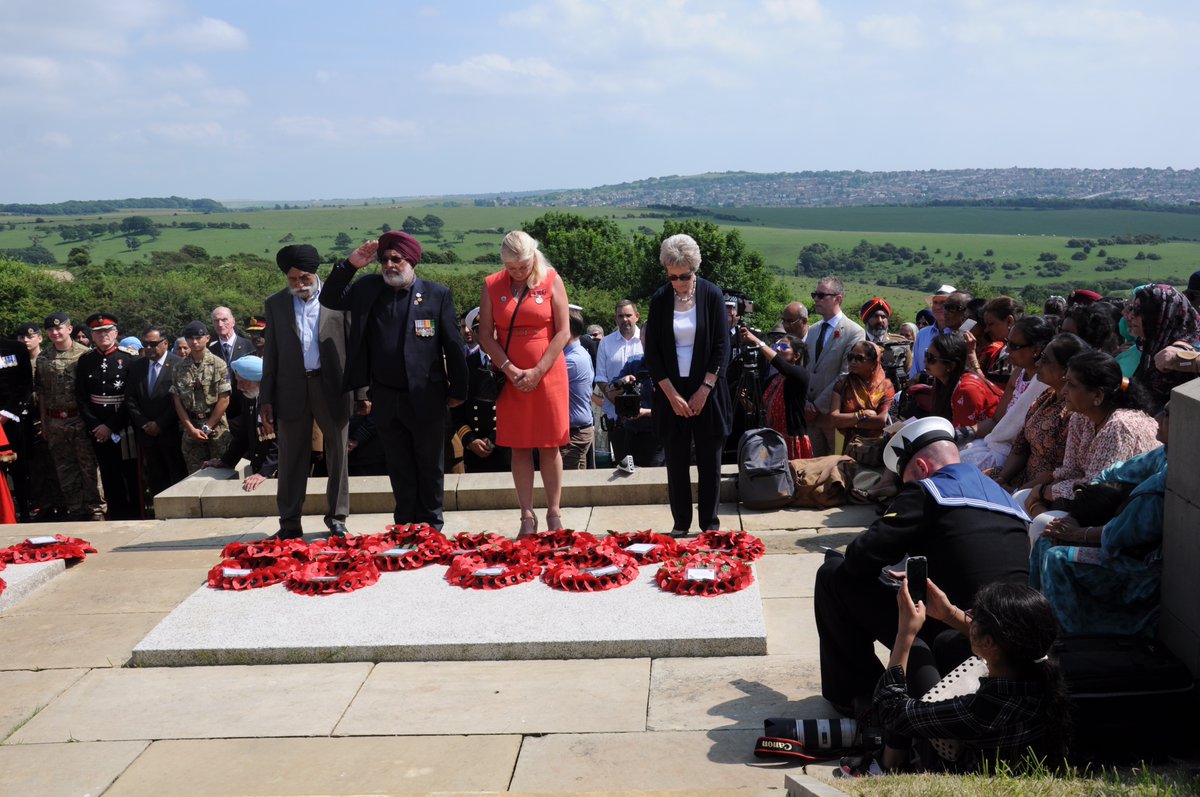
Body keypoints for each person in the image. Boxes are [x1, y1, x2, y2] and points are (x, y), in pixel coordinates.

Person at [814, 416, 1031, 715]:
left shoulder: (927, 490)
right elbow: (972, 561)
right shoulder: (1005, 498)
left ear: (921, 468)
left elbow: (861, 557)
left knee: (834, 574)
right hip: (1010, 638)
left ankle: (856, 692)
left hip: (957, 638)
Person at [322, 230, 468, 530]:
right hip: (386, 395)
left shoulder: (436, 293)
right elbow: (330, 297)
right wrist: (351, 264)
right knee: (398, 463)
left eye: (396, 259)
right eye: (385, 259)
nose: (389, 265)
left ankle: (430, 523)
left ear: (411, 261)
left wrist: (459, 388)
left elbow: (453, 345)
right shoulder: (368, 288)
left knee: (429, 463)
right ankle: (404, 522)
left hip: (427, 394)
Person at [865, 580, 1068, 774]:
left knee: (916, 649)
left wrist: (905, 633)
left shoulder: (982, 709)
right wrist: (950, 614)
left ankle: (888, 764)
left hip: (960, 767)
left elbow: (891, 711)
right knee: (947, 641)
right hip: (1015, 755)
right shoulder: (1042, 669)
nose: (970, 618)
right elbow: (1000, 640)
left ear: (989, 643)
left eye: (976, 617)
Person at [1030, 406, 1168, 637]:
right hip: (1118, 546)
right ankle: (1032, 622)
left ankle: (1068, 640)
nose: (1158, 418)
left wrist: (1077, 533)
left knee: (1057, 558)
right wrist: (1078, 516)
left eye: (1167, 415)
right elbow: (1110, 474)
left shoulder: (1162, 485)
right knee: (1046, 540)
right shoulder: (1163, 454)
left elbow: (1116, 535)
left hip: (1142, 569)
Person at [261, 244, 358, 540]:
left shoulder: (337, 298)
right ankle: (289, 521)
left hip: (333, 387)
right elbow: (271, 355)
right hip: (291, 388)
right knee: (291, 457)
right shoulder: (276, 304)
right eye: (292, 280)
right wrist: (265, 397)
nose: (299, 285)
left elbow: (355, 346)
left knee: (338, 454)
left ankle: (338, 518)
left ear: (314, 274)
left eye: (303, 278)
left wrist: (363, 392)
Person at [476, 230, 569, 535]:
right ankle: (526, 516)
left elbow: (563, 331)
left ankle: (554, 513)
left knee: (549, 444)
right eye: (511, 267)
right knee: (518, 446)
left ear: (534, 257)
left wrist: (538, 370)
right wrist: (509, 368)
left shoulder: (551, 279)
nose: (517, 273)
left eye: (522, 266)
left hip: (548, 374)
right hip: (509, 376)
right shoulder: (492, 284)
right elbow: (486, 334)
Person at [643, 233, 731, 537]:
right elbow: (652, 352)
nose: (679, 282)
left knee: (710, 461)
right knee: (676, 462)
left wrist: (704, 390)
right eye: (673, 276)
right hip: (671, 391)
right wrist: (671, 395)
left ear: (694, 268)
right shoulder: (659, 299)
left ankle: (710, 526)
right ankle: (681, 524)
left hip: (706, 389)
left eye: (685, 275)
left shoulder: (711, 295)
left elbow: (722, 345)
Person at [1017, 350, 1160, 520]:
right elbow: (1070, 470)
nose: (1063, 391)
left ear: (1098, 396)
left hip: (1122, 513)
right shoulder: (1080, 417)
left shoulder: (1119, 426)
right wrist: (1040, 494)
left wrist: (1041, 494)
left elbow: (1096, 490)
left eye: (1071, 384)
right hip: (1087, 500)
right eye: (1065, 382)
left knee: (1041, 520)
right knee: (1021, 498)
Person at [990, 333, 1088, 493]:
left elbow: (1060, 470)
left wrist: (1017, 492)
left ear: (1066, 370)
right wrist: (1002, 479)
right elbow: (1021, 446)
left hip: (1042, 491)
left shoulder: (1074, 412)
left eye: (1046, 360)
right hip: (1020, 480)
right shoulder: (1045, 397)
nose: (1038, 363)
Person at [959, 317, 1054, 472]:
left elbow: (1024, 444)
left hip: (1012, 459)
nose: (1007, 350)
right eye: (1007, 342)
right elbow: (996, 420)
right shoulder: (1019, 372)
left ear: (1036, 350)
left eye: (1014, 346)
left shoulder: (1045, 384)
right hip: (994, 443)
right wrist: (963, 433)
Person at [35, 312, 103, 520]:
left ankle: (97, 510)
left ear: (69, 329)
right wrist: (44, 423)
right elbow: (42, 393)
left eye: (59, 328)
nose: (55, 333)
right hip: (55, 422)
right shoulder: (43, 358)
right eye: (51, 330)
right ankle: (76, 510)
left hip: (80, 419)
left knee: (89, 468)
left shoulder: (85, 355)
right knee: (65, 469)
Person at [74, 313, 138, 519]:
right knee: (108, 474)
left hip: (124, 425)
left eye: (108, 331)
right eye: (98, 332)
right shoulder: (85, 360)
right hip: (97, 427)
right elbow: (81, 397)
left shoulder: (128, 358)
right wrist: (96, 426)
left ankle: (136, 514)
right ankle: (117, 515)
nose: (104, 336)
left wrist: (110, 425)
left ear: (116, 333)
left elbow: (131, 397)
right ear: (92, 336)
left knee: (130, 473)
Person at [805, 276, 866, 456]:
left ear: (838, 298)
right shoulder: (813, 329)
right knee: (810, 469)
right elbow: (804, 367)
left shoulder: (854, 332)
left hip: (833, 414)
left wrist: (817, 406)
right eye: (815, 294)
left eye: (822, 295)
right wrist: (805, 402)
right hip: (809, 414)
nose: (816, 299)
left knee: (835, 470)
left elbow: (845, 373)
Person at [124, 325, 187, 499]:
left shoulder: (179, 364)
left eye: (153, 344)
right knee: (155, 476)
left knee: (177, 474)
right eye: (146, 344)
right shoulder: (137, 366)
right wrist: (143, 423)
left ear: (165, 343)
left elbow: (180, 400)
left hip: (171, 431)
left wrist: (160, 423)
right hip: (146, 433)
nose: (149, 348)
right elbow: (130, 398)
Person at [205, 356, 278, 494]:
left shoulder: (277, 401)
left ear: (258, 381)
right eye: (237, 382)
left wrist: (265, 472)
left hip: (280, 472)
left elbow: (283, 441)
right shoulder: (251, 397)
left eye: (242, 382)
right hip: (260, 469)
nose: (238, 387)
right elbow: (244, 433)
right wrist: (226, 461)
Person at [15, 321, 63, 521]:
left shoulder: (46, 359)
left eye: (30, 336)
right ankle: (42, 506)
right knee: (34, 467)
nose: (26, 340)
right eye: (21, 337)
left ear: (40, 337)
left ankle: (61, 505)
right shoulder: (14, 362)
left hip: (51, 418)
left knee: (56, 464)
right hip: (25, 420)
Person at [1124, 284, 1200, 411]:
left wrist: (1183, 359)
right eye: (1131, 308)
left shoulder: (1184, 351)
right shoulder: (1154, 344)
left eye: (1139, 311)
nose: (1130, 315)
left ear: (1163, 314)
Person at [739, 328, 811, 458]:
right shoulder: (773, 380)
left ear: (796, 356)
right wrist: (744, 400)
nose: (778, 349)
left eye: (783, 346)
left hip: (791, 440)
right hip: (771, 440)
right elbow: (759, 411)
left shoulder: (800, 375)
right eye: (777, 345)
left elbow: (780, 364)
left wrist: (757, 341)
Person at [172, 320, 233, 474]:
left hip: (216, 427)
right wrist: (191, 429)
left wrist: (207, 427)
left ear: (207, 338)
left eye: (198, 337)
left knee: (220, 475)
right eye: (190, 338)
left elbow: (224, 399)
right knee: (194, 475)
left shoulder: (219, 364)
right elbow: (177, 400)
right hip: (191, 427)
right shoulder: (179, 368)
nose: (194, 342)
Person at [453, 307, 509, 474]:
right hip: (475, 450)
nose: (487, 335)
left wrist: (494, 439)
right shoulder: (465, 366)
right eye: (480, 330)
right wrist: (469, 439)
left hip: (507, 448)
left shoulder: (512, 364)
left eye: (492, 330)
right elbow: (456, 407)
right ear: (476, 334)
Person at [923, 332, 1002, 443]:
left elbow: (963, 437)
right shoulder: (940, 382)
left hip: (991, 442)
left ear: (951, 365)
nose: (925, 361)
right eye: (926, 354)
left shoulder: (966, 390)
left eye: (931, 358)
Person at [595, 299, 643, 465]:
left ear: (637, 316)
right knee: (623, 468)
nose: (625, 319)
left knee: (647, 467)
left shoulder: (646, 341)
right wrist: (617, 401)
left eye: (628, 315)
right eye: (620, 316)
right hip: (615, 417)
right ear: (615, 319)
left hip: (644, 416)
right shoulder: (605, 343)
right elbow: (600, 378)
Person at [829, 340, 894, 453]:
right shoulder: (843, 384)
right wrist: (862, 415)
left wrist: (849, 421)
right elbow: (834, 419)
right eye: (850, 357)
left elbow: (881, 421)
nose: (853, 362)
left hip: (874, 447)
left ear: (874, 363)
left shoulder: (885, 387)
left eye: (859, 358)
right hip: (847, 444)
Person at [0, 330, 32, 521]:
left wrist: (5, 414)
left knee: (19, 469)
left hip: (12, 419)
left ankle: (25, 514)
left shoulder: (15, 348)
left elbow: (25, 384)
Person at [561, 307, 595, 470]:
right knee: (577, 489)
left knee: (566, 488)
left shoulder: (571, 360)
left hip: (574, 434)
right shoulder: (578, 353)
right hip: (577, 431)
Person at [860, 297, 912, 393]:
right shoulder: (858, 341)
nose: (880, 320)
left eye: (883, 317)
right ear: (866, 320)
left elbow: (907, 371)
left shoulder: (899, 343)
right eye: (875, 316)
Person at [908, 285, 956, 381]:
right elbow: (915, 368)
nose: (938, 307)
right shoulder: (922, 334)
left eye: (943, 303)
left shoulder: (959, 334)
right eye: (935, 302)